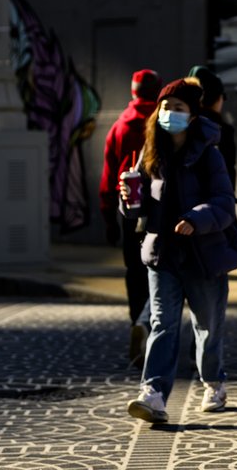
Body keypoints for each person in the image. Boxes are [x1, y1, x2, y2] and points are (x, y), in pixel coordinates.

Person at [123, 78, 237, 424]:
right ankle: (152, 393)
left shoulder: (210, 155)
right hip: (163, 256)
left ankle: (213, 382)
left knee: (207, 325)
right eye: (165, 107)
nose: (169, 113)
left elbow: (225, 203)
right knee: (163, 324)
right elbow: (138, 208)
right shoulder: (152, 153)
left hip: (203, 256)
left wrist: (196, 218)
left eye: (178, 108)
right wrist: (127, 201)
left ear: (192, 116)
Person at [98, 68, 160, 365]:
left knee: (134, 273)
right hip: (160, 210)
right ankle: (153, 326)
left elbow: (109, 176)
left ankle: (137, 320)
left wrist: (108, 218)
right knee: (160, 274)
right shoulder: (161, 122)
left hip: (128, 210)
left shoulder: (119, 127)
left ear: (133, 91)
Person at [187, 64, 237, 278]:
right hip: (214, 206)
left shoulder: (182, 129)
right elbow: (228, 171)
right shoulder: (220, 131)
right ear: (217, 99)